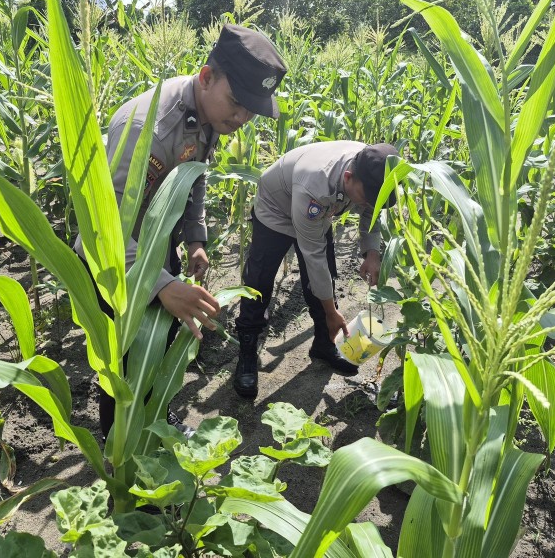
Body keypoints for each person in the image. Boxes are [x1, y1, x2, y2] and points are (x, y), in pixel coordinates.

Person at [73, 24, 288, 434]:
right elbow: (98, 234)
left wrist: (195, 235)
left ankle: (157, 423)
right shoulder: (146, 129)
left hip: (153, 243)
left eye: (252, 111)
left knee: (161, 339)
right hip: (115, 259)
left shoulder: (211, 113)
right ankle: (120, 448)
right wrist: (161, 284)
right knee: (121, 359)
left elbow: (195, 174)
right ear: (207, 77)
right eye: (237, 104)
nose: (242, 118)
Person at [232, 140, 398, 398]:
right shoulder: (316, 186)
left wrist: (372, 253)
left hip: (318, 210)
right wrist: (331, 311)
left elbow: (372, 210)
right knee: (259, 282)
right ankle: (247, 353)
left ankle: (323, 343)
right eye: (366, 199)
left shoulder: (371, 167)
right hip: (277, 208)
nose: (369, 204)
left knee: (326, 276)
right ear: (348, 177)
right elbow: (313, 258)